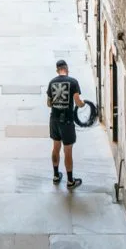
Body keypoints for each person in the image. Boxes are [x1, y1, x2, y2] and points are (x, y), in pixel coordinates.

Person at [47, 59, 85, 188]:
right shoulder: (73, 82)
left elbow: (48, 103)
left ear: (57, 70)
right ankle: (70, 181)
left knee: (56, 147)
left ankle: (56, 176)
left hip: (54, 119)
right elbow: (78, 102)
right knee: (68, 150)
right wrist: (83, 103)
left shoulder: (51, 82)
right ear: (67, 69)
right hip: (67, 121)